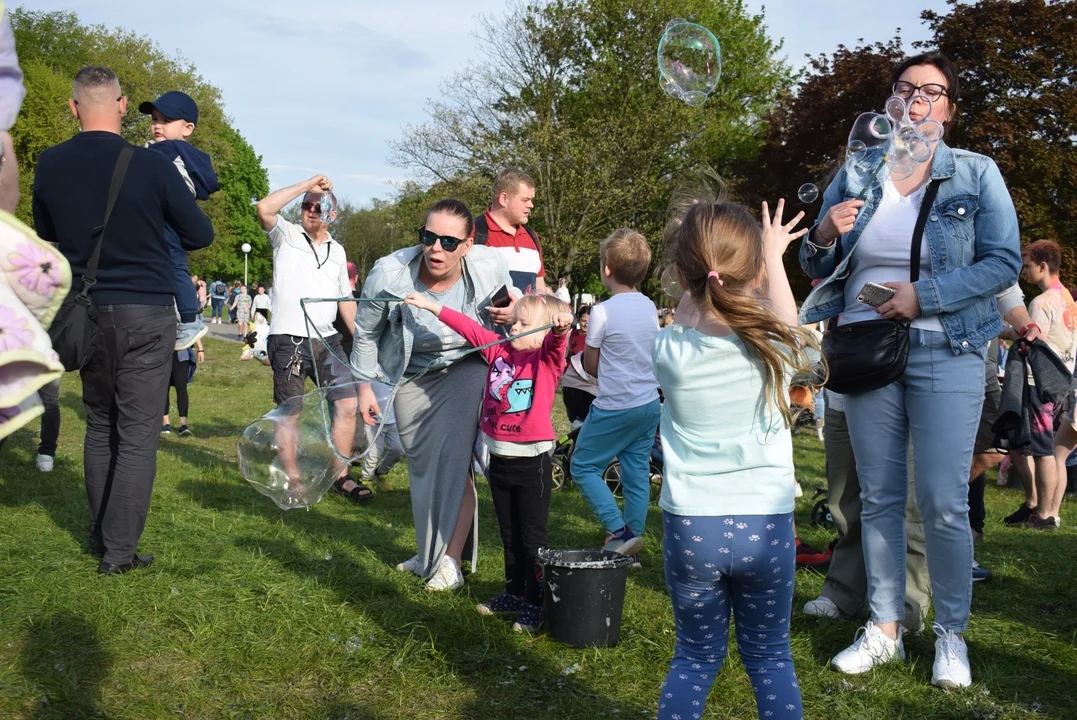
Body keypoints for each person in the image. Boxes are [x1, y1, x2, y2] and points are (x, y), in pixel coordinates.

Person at [799, 51, 1021, 688]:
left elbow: (1003, 262)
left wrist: (926, 296)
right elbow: (819, 267)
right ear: (891, 102)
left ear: (949, 111)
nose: (917, 99)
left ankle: (951, 636)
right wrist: (821, 234)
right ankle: (884, 628)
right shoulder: (859, 170)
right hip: (868, 349)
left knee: (944, 502)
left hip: (946, 348)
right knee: (879, 499)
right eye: (905, 89)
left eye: (932, 91)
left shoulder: (976, 175)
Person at [32, 66, 214, 574]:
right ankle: (118, 552)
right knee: (136, 434)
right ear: (120, 103)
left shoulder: (49, 164)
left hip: (85, 314)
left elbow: (48, 233)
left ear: (73, 107)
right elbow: (199, 233)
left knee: (99, 426)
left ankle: (100, 536)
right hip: (145, 311)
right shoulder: (151, 166)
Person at [654, 197, 810, 720]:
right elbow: (786, 317)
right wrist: (773, 258)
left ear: (682, 277)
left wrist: (705, 273)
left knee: (694, 658)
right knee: (770, 658)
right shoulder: (775, 347)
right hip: (765, 527)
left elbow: (696, 308)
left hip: (691, 526)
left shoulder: (669, 351)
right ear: (756, 272)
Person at [353, 199, 517, 591]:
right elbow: (365, 332)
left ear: (467, 243)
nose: (435, 248)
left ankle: (450, 561)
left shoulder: (487, 263)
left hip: (467, 365)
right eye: (428, 237)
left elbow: (508, 307)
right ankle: (428, 553)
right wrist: (363, 388)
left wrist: (508, 315)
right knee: (423, 465)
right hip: (413, 372)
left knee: (454, 460)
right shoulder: (389, 273)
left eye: (447, 240)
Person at [407, 290, 572, 630]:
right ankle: (514, 593)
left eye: (524, 324)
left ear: (542, 332)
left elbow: (557, 345)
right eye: (514, 323)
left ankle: (536, 602)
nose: (514, 329)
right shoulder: (499, 349)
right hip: (500, 459)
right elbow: (468, 328)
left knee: (532, 538)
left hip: (532, 463)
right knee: (509, 534)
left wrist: (561, 330)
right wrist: (431, 305)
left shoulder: (546, 359)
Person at [254, 175, 363, 501]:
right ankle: (294, 478)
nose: (312, 211)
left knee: (348, 404)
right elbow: (264, 207)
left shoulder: (338, 249)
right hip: (289, 338)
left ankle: (339, 475)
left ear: (333, 214)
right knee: (291, 412)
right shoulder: (286, 235)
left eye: (320, 207)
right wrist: (306, 186)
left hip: (327, 339)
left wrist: (362, 341)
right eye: (307, 206)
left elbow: (346, 300)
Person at [570, 228, 661, 560]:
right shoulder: (649, 305)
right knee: (637, 475)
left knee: (582, 465)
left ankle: (618, 530)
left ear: (606, 268)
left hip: (616, 406)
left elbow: (591, 364)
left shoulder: (602, 311)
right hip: (649, 404)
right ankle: (629, 549)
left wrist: (592, 363)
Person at [1003, 240, 1077, 529]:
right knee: (1051, 450)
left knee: (1043, 450)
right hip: (1063, 381)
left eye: (1028, 266)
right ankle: (1047, 511)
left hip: (1039, 382)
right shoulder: (1069, 302)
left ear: (1043, 266)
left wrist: (1006, 331)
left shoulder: (1040, 303)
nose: (1024, 272)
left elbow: (1033, 341)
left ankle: (1044, 514)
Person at [139, 91, 218, 351]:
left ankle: (188, 319)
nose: (157, 125)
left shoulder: (166, 150)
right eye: (154, 119)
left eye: (166, 119)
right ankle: (183, 316)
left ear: (187, 128)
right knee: (174, 265)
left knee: (175, 266)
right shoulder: (183, 152)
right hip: (172, 218)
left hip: (166, 218)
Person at [470, 168, 546, 295]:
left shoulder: (532, 236)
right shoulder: (472, 232)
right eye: (525, 200)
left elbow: (539, 287)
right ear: (504, 199)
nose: (531, 205)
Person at [562, 305, 597, 426]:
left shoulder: (593, 338)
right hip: (570, 379)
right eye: (583, 321)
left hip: (585, 383)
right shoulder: (572, 334)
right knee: (572, 415)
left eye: (589, 321)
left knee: (582, 418)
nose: (586, 324)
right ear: (578, 319)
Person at [162, 339, 203, 436]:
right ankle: (165, 423)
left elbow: (192, 328)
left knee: (181, 387)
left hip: (181, 352)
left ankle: (183, 425)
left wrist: (200, 349)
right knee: (163, 387)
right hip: (163, 352)